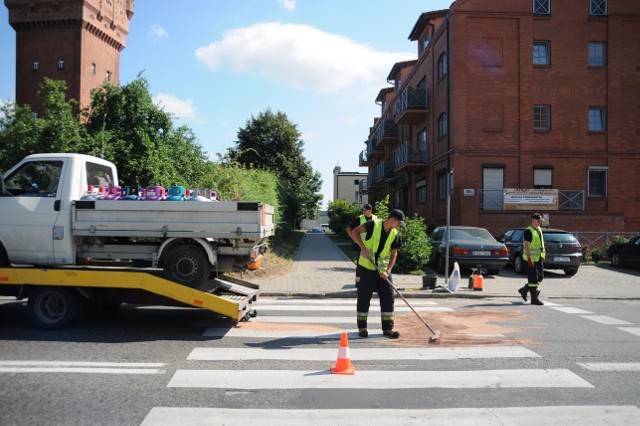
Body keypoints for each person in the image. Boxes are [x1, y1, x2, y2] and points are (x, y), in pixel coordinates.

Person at [351, 209, 404, 338]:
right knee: (364, 298)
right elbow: (355, 232)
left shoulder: (394, 234)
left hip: (384, 271)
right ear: (392, 220)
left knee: (388, 298)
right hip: (367, 268)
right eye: (398, 223)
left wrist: (389, 270)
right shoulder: (372, 225)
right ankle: (362, 327)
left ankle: (388, 328)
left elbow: (394, 253)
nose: (399, 226)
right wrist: (362, 248)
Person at [346, 204, 377, 288]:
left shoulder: (376, 219)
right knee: (360, 265)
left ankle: (373, 283)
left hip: (373, 246)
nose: (363, 212)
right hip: (362, 245)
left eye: (365, 210)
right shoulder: (359, 218)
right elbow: (349, 228)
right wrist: (354, 239)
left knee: (373, 264)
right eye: (363, 210)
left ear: (370, 211)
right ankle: (358, 283)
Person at [518, 213, 546, 305]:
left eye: (540, 221)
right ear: (534, 221)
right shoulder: (528, 231)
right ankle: (534, 299)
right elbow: (526, 245)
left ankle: (525, 289)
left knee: (540, 277)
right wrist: (529, 258)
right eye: (539, 221)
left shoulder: (538, 229)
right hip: (530, 259)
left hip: (538, 257)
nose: (540, 222)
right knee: (533, 279)